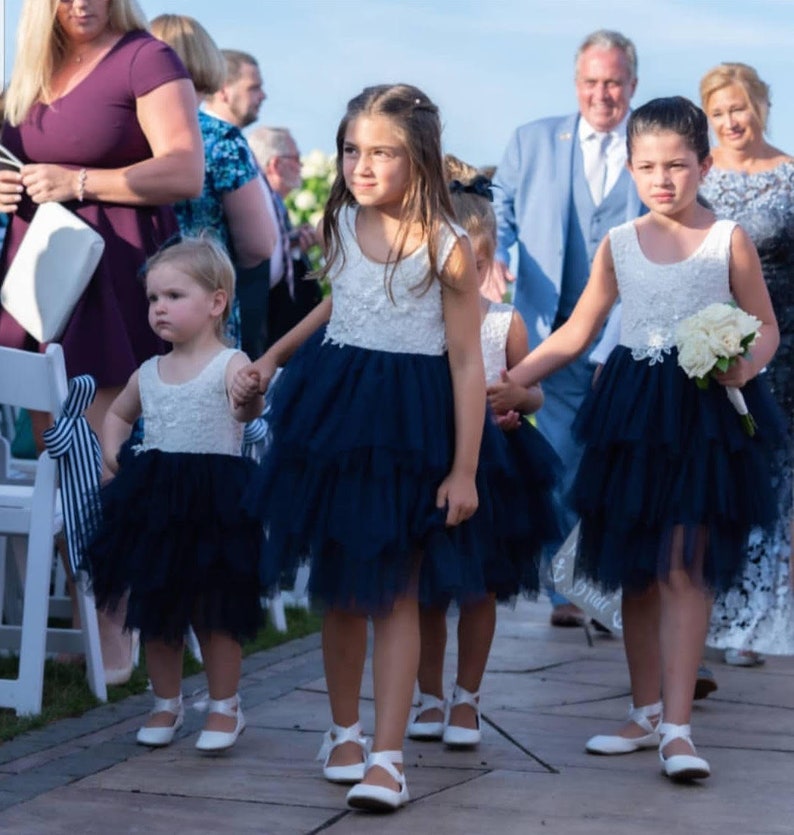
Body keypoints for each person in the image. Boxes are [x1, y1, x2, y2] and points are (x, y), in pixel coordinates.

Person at [233, 84, 538, 812]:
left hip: (413, 423)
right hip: (335, 415)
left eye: (381, 152)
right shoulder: (339, 220)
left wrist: (465, 468)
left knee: (397, 586)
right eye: (350, 150)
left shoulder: (448, 245)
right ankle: (342, 730)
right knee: (340, 586)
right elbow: (335, 304)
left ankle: (389, 756)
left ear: (420, 158)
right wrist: (271, 359)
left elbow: (467, 361)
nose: (360, 166)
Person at [491, 96, 782, 781]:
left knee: (686, 560)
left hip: (704, 412)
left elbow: (765, 323)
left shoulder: (728, 238)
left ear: (703, 164)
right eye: (647, 166)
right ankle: (644, 708)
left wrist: (743, 360)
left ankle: (679, 728)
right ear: (630, 168)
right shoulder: (619, 242)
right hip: (632, 411)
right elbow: (577, 329)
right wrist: (514, 376)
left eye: (677, 165)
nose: (662, 179)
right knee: (637, 566)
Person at [0, 0, 204, 684]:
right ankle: (85, 621)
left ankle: (118, 632)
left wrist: (80, 181)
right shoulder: (30, 70)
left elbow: (184, 170)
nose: (80, 1)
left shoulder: (145, 57)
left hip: (113, 274)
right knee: (56, 459)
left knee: (99, 461)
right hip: (37, 276)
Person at [84, 237, 264, 753]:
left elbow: (246, 410)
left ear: (216, 302)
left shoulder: (231, 362)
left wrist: (249, 394)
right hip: (157, 503)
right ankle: (165, 701)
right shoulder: (148, 372)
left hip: (214, 504)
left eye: (173, 296)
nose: (159, 307)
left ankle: (225, 706)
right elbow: (119, 414)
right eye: (153, 298)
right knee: (156, 608)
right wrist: (115, 454)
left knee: (214, 608)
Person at [408, 156, 560, 748]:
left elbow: (535, 391)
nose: (462, 277)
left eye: (474, 264)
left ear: (490, 260)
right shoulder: (420, 323)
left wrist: (520, 398)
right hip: (429, 461)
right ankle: (427, 694)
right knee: (425, 588)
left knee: (479, 588)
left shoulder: (505, 323)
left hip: (496, 468)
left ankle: (467, 698)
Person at [492, 30, 643, 628]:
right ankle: (566, 586)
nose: (601, 94)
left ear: (632, 85)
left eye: (612, 82)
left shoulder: (648, 145)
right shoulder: (532, 140)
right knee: (558, 456)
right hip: (548, 327)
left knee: (614, 458)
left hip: (629, 333)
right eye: (591, 81)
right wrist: (495, 254)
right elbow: (497, 209)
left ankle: (611, 580)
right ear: (575, 83)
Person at [698, 63, 794, 666]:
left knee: (774, 480)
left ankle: (754, 620)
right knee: (715, 478)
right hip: (708, 345)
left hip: (784, 349)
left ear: (760, 105)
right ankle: (707, 615)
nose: (731, 122)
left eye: (739, 108)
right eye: (717, 113)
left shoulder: (791, 177)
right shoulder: (697, 176)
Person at [149, 14, 276, 350]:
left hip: (131, 304)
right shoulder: (220, 139)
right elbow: (259, 245)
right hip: (202, 316)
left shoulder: (120, 133)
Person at [203, 49, 273, 357]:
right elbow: (256, 246)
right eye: (253, 87)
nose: (263, 96)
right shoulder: (224, 140)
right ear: (223, 89)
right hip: (217, 303)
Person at [246, 126, 324, 345]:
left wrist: (295, 244)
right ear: (276, 164)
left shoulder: (276, 204)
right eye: (296, 158)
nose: (301, 165)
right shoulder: (260, 205)